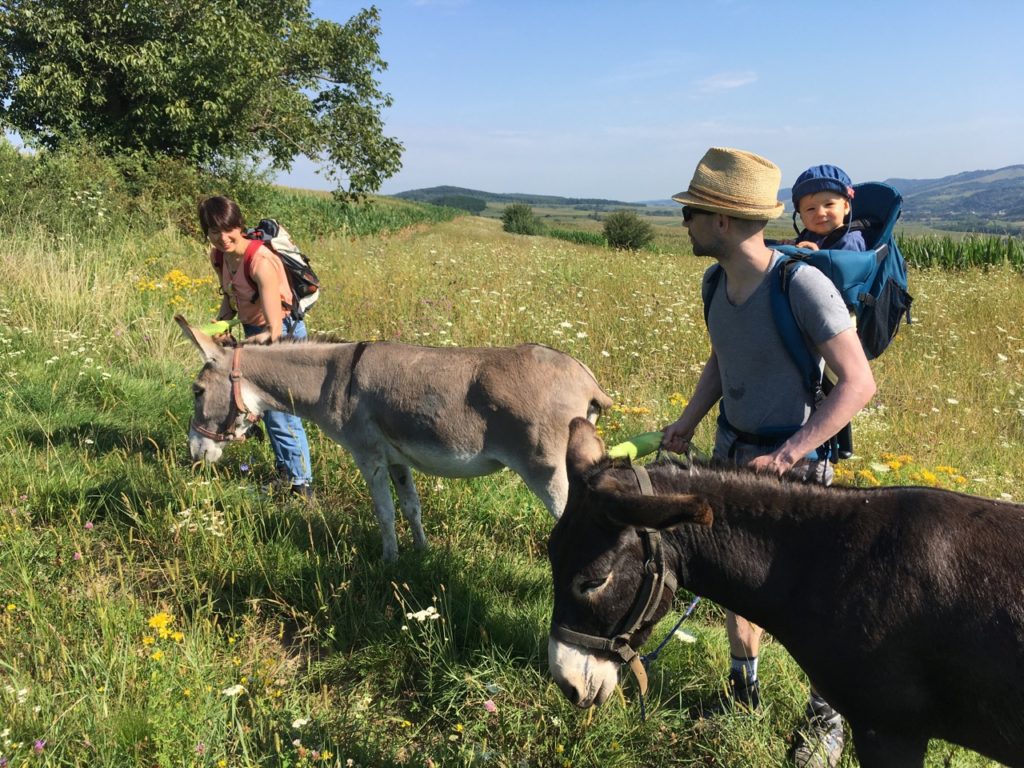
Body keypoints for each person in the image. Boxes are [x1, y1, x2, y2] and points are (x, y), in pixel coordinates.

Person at [661, 148, 877, 768]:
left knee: (815, 602)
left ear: (722, 221)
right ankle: (742, 691)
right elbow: (722, 359)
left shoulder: (801, 284)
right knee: (735, 586)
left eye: (692, 213)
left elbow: (858, 383)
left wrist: (788, 455)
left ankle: (825, 724)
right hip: (733, 458)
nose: (686, 225)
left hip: (796, 474)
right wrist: (688, 422)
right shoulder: (715, 282)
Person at [198, 195, 314, 500]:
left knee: (280, 411)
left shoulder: (261, 261)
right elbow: (230, 295)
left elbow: (275, 328)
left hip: (281, 334)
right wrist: (222, 322)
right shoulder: (220, 256)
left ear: (239, 225)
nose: (222, 238)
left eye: (228, 230)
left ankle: (302, 488)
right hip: (253, 330)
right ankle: (285, 472)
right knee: (261, 410)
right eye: (213, 232)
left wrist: (256, 341)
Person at [790, 164, 865, 251]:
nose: (820, 213)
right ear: (801, 216)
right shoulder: (808, 235)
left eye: (829, 204)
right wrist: (792, 245)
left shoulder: (850, 241)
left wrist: (816, 255)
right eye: (810, 209)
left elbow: (848, 264)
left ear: (846, 207)